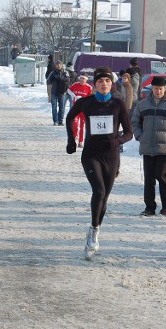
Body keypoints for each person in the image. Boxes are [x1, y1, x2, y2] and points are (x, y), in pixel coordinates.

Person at [64, 67, 133, 260]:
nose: (104, 84)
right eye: (100, 81)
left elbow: (129, 133)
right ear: (95, 84)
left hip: (111, 156)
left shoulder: (118, 104)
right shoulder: (86, 103)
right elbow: (70, 117)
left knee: (105, 198)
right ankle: (94, 232)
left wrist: (117, 141)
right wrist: (71, 140)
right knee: (99, 191)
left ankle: (95, 228)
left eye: (107, 81)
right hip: (91, 155)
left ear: (112, 84)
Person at [132, 76, 166, 217]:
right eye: (156, 88)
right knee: (149, 178)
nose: (158, 91)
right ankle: (149, 207)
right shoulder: (142, 104)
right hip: (147, 147)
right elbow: (134, 122)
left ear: (165, 89)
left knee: (161, 175)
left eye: (161, 89)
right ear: (152, 88)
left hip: (165, 147)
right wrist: (140, 136)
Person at [68, 74, 93, 147]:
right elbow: (68, 90)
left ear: (86, 80)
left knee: (82, 125)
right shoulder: (75, 84)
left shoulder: (89, 87)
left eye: (83, 79)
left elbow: (90, 97)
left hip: (84, 109)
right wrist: (74, 96)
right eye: (81, 78)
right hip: (75, 108)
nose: (81, 80)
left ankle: (81, 141)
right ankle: (75, 137)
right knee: (75, 123)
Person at [47, 61, 70, 126]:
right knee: (54, 107)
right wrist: (49, 94)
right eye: (57, 64)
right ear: (55, 65)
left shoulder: (65, 73)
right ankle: (55, 121)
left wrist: (61, 78)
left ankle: (60, 121)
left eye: (60, 64)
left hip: (62, 92)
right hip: (53, 92)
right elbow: (48, 81)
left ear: (62, 65)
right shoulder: (52, 73)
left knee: (62, 107)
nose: (58, 66)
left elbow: (68, 80)